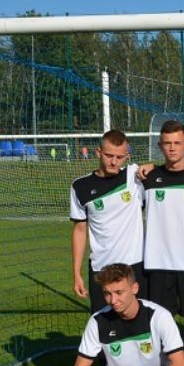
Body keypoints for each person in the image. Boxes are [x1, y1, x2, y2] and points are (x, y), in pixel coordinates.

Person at [141, 120, 184, 366]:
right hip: (158, 265)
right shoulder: (147, 179)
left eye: (177, 143)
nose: (172, 148)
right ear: (160, 146)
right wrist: (143, 166)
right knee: (161, 325)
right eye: (167, 143)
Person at [70, 130, 148, 313]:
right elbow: (80, 230)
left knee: (138, 321)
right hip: (102, 268)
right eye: (109, 155)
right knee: (104, 324)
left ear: (126, 156)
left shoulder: (133, 177)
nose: (114, 162)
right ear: (98, 152)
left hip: (134, 266)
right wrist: (76, 273)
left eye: (120, 157)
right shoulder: (80, 186)